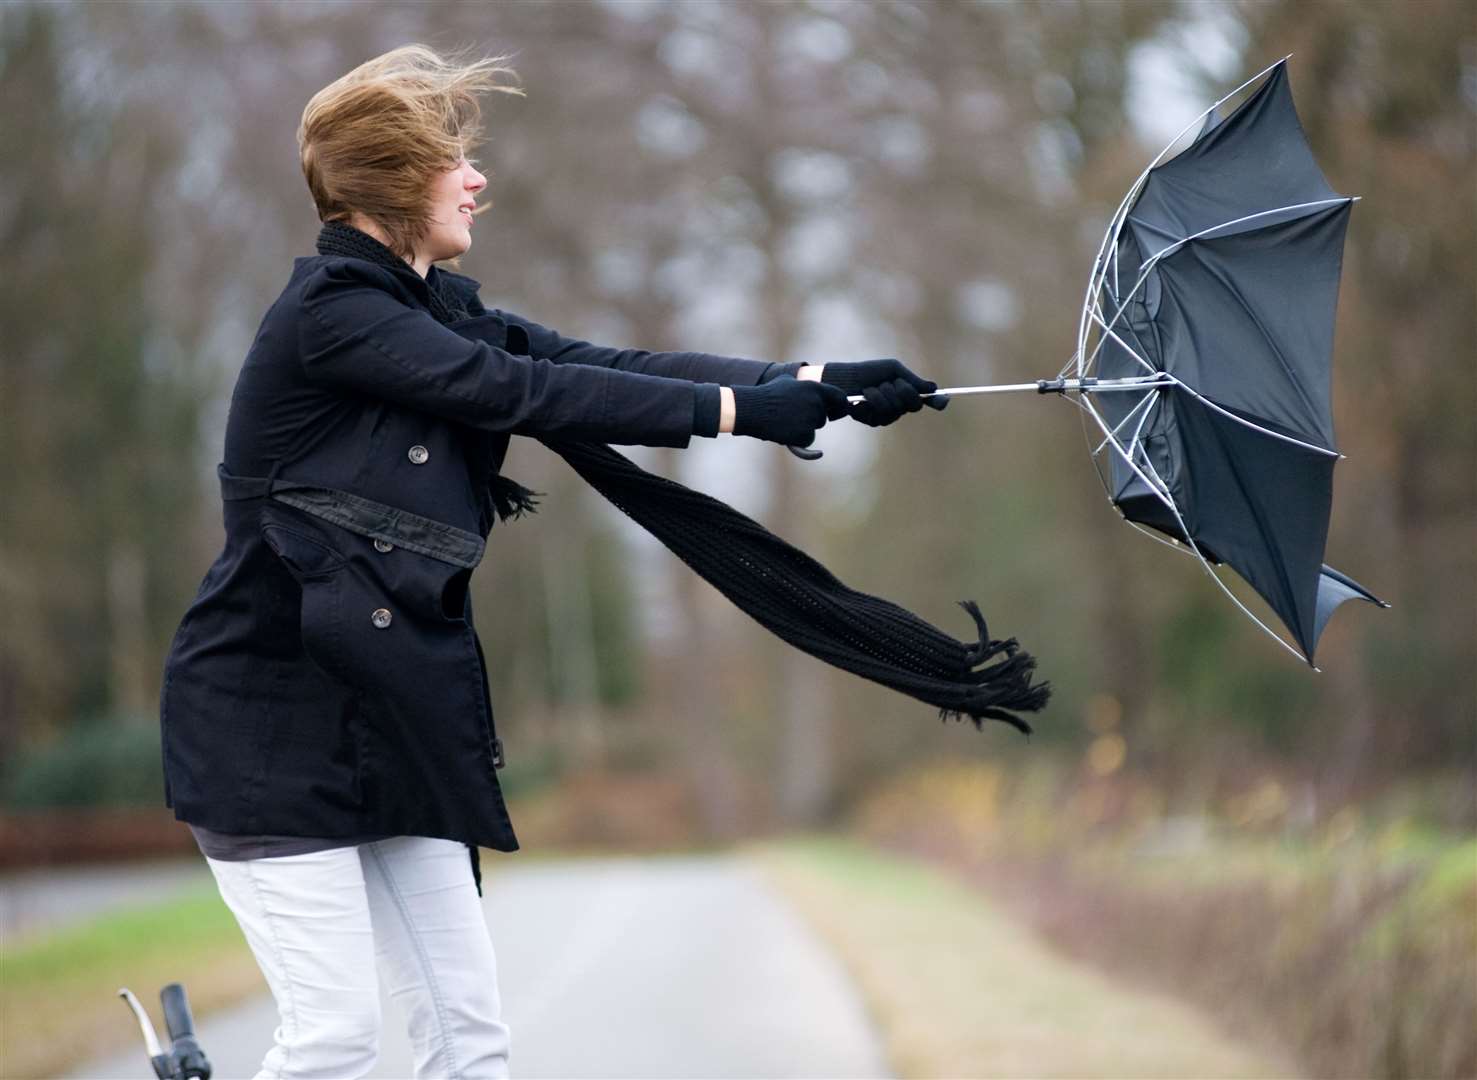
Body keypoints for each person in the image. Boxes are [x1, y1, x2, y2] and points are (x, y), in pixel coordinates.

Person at [158, 43, 944, 1080]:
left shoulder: (434, 309)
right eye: (452, 160)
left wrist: (806, 379)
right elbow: (518, 395)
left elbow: (591, 366)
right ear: (394, 180)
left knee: (469, 1040)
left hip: (393, 719)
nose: (476, 178)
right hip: (269, 727)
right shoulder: (333, 319)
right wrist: (739, 411)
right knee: (336, 1038)